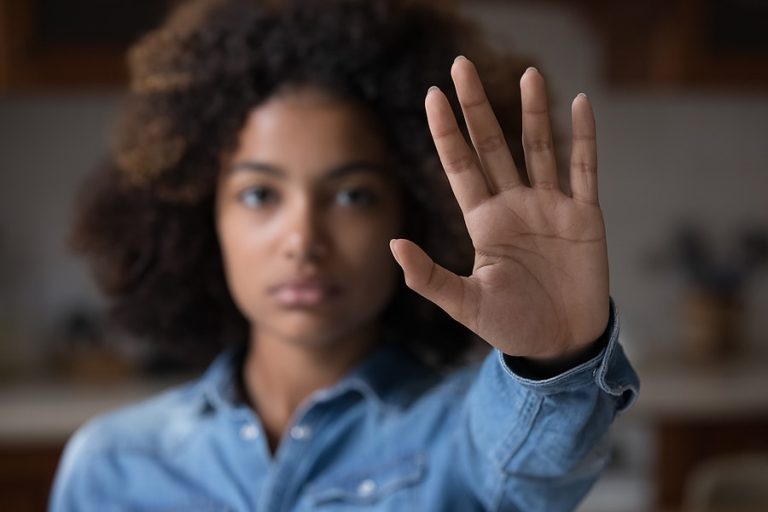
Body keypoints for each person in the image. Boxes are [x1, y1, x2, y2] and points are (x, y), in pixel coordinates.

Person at [49, 0, 639, 510]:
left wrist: (555, 362)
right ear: (203, 217)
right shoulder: (112, 464)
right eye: (259, 194)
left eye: (353, 195)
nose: (303, 239)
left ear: (413, 212)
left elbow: (536, 464)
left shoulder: (465, 440)